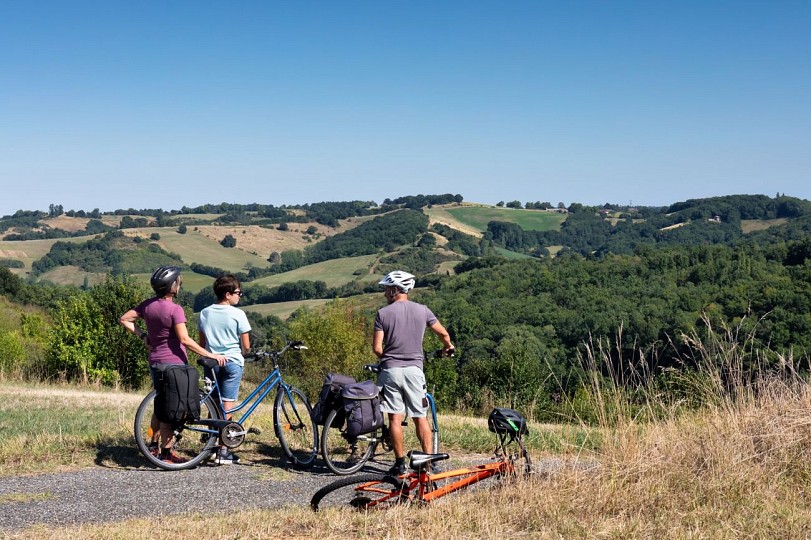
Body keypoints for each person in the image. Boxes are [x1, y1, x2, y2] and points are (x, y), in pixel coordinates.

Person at [119, 265, 227, 464]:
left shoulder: (147, 305)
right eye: (178, 282)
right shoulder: (175, 310)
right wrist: (210, 354)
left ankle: (153, 444)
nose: (180, 284)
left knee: (161, 403)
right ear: (172, 286)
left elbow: (125, 319)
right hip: (174, 364)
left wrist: (143, 336)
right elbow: (185, 340)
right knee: (173, 409)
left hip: (155, 363)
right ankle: (166, 453)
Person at [372, 270, 454, 476]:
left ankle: (400, 463)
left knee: (394, 419)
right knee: (420, 417)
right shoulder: (423, 311)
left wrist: (389, 356)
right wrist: (448, 347)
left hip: (390, 371)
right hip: (414, 371)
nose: (384, 294)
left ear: (395, 290)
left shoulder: (383, 314)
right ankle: (428, 463)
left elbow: (377, 348)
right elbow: (443, 333)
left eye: (386, 290)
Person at [197, 274, 252, 465]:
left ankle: (210, 444)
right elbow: (246, 346)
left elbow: (202, 343)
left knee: (212, 404)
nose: (239, 296)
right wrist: (245, 353)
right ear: (228, 294)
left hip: (211, 362)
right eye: (238, 293)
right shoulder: (238, 314)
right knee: (227, 407)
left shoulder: (204, 313)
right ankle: (223, 451)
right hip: (231, 362)